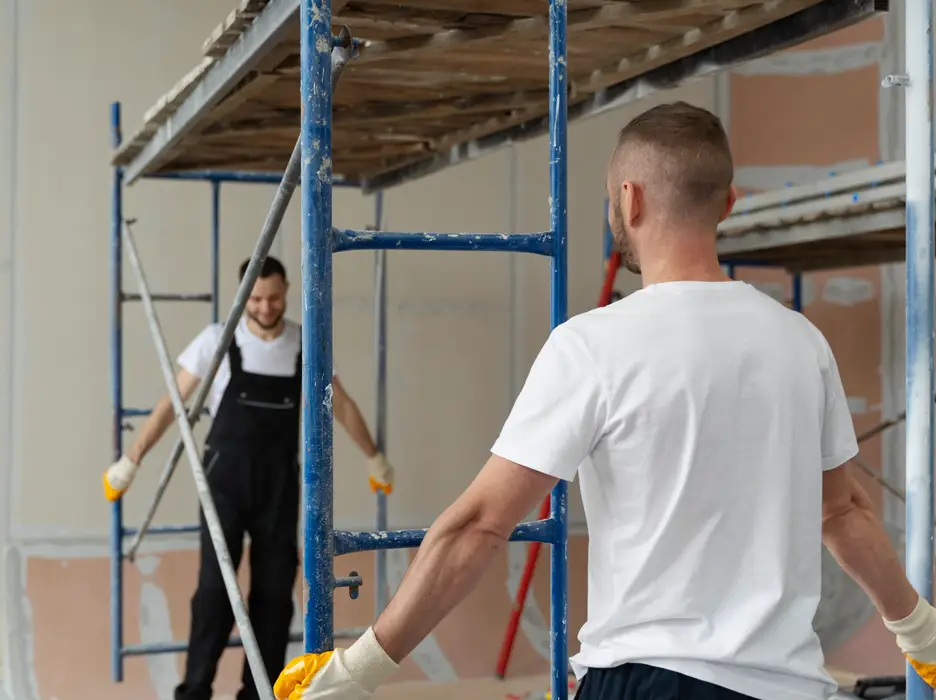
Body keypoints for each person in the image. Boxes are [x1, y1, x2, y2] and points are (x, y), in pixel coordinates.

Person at [271, 102, 936, 700]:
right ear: (728, 202)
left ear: (629, 198)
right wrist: (920, 632)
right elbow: (844, 511)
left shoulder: (594, 345)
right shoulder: (801, 341)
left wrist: (357, 672)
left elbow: (479, 525)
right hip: (790, 687)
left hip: (648, 680)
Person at [102, 254, 395, 700]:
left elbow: (342, 404)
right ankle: (195, 689)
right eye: (255, 298)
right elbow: (171, 405)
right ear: (243, 296)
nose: (264, 307)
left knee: (275, 594)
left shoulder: (305, 343)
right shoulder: (216, 341)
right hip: (224, 483)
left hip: (279, 485)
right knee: (214, 592)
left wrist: (374, 458)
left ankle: (260, 693)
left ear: (287, 292)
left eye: (274, 297)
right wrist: (131, 460)